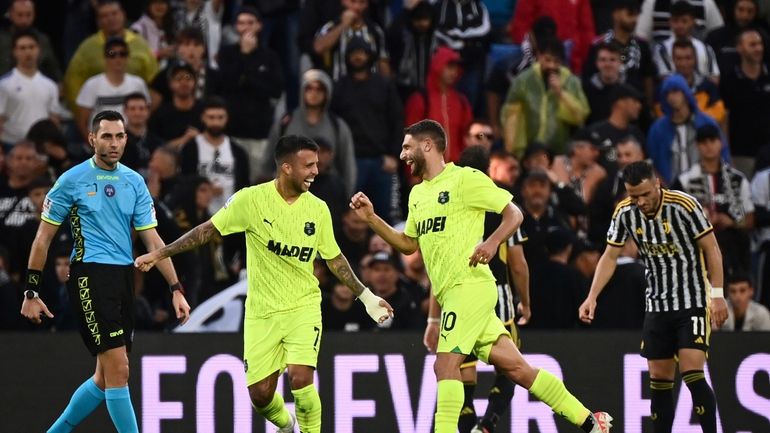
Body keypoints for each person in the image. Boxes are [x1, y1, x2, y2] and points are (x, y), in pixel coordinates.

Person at [351, 119, 612, 433]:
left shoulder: (466, 179)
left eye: (408, 147)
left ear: (428, 146)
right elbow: (408, 245)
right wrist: (371, 218)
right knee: (517, 368)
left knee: (444, 365)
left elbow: (514, 214)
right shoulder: (418, 195)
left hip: (470, 287)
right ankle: (590, 421)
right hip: (454, 294)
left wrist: (491, 242)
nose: (403, 154)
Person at [135, 135, 394, 433]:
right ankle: (286, 425)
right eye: (308, 165)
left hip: (303, 306)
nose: (316, 172)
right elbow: (206, 231)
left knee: (301, 379)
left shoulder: (318, 209)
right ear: (286, 167)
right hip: (261, 312)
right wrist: (159, 252)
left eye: (317, 165)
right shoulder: (251, 200)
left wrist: (366, 296)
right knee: (260, 396)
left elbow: (334, 259)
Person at [19, 110, 191, 433]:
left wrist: (176, 288)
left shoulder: (134, 181)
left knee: (103, 378)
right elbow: (43, 239)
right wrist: (31, 291)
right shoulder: (71, 181)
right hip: (89, 276)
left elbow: (153, 239)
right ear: (92, 139)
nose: (114, 143)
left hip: (124, 279)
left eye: (120, 136)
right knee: (120, 370)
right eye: (107, 136)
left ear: (127, 139)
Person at [579, 160, 728, 433]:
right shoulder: (624, 212)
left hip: (693, 300)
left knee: (692, 371)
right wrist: (592, 296)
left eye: (645, 194)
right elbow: (609, 256)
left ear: (657, 183)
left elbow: (712, 249)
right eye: (634, 196)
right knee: (659, 380)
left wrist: (717, 295)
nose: (640, 202)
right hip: (657, 304)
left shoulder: (684, 206)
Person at [454, 144, 531, 433]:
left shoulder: (452, 201)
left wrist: (433, 318)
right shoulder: (501, 202)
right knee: (510, 367)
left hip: (460, 294)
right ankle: (487, 426)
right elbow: (519, 263)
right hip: (498, 296)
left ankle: (467, 428)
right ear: (488, 169)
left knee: (462, 369)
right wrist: (526, 302)